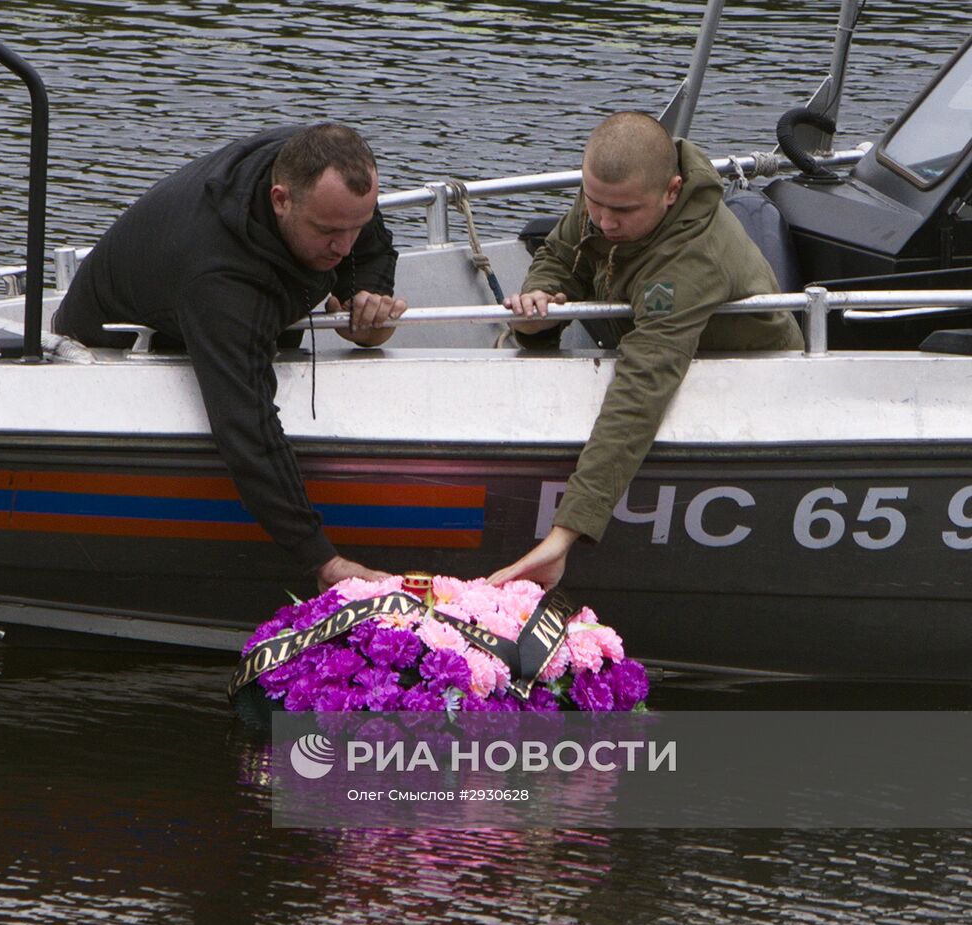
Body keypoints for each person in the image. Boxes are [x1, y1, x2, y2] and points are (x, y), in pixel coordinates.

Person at [52, 123, 409, 590]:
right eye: (327, 232)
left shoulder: (323, 178)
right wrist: (322, 559)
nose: (344, 247)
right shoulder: (219, 280)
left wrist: (366, 296)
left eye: (355, 226)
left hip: (235, 292)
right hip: (118, 350)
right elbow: (246, 423)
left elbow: (370, 249)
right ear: (280, 199)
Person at [488, 111, 803, 590]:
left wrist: (564, 533)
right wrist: (542, 301)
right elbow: (560, 254)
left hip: (751, 390)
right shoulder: (611, 195)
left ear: (672, 191)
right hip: (650, 343)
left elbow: (642, 386)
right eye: (594, 203)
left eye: (624, 212)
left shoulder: (689, 260)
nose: (606, 221)